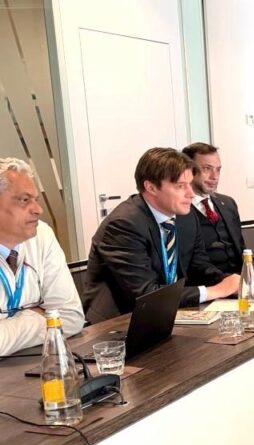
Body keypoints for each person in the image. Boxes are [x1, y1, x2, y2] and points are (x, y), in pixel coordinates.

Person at [82, 148, 240, 324]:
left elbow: (199, 266)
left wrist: (231, 282)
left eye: (189, 184)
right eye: (180, 186)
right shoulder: (123, 225)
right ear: (151, 187)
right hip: (120, 323)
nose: (190, 193)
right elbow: (146, 293)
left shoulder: (186, 217)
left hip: (168, 313)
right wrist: (216, 291)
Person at [0, 158, 83, 354]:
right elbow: (58, 322)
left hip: (36, 360)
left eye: (35, 199)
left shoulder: (41, 234)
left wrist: (11, 325)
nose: (38, 210)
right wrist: (40, 316)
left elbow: (71, 318)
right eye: (24, 200)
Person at [182, 142, 245, 275]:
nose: (214, 177)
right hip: (206, 283)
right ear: (188, 170)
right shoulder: (178, 209)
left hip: (240, 278)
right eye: (207, 169)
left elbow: (241, 249)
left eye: (218, 169)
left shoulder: (228, 203)